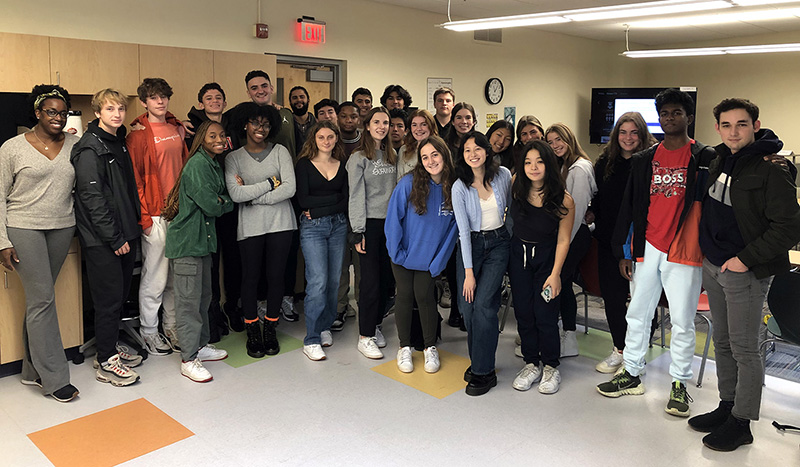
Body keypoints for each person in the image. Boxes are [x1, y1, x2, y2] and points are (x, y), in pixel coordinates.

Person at [597, 89, 716, 418]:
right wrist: (625, 251)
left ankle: (679, 384)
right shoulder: (644, 159)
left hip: (685, 250)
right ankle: (632, 373)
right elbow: (629, 208)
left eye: (676, 113)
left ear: (689, 118)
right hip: (646, 248)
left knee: (681, 321)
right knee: (637, 313)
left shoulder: (705, 157)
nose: (669, 118)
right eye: (664, 114)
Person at [691, 98, 800, 451]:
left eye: (741, 124)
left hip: (745, 271)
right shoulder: (721, 158)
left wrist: (744, 259)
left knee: (745, 348)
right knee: (722, 342)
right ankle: (727, 406)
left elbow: (789, 228)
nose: (733, 131)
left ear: (755, 125)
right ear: (719, 128)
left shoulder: (771, 167)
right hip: (714, 264)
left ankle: (742, 422)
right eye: (726, 124)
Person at [0, 84, 80, 402]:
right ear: (37, 113)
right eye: (51, 111)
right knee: (44, 298)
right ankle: (55, 378)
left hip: (62, 228)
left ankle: (31, 371)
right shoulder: (12, 148)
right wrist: (2, 240)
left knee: (38, 300)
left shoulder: (77, 144)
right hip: (24, 228)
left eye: (62, 112)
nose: (57, 117)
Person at [71, 88, 142, 387]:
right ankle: (105, 361)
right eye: (110, 109)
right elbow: (93, 200)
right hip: (104, 240)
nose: (117, 114)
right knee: (109, 300)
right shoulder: (90, 148)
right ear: (97, 113)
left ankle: (110, 346)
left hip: (125, 232)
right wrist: (114, 238)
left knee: (119, 296)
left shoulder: (117, 142)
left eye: (121, 109)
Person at [225, 102, 296, 358]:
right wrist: (270, 183)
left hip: (281, 224)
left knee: (276, 277)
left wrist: (253, 197)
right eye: (255, 123)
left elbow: (289, 188)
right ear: (245, 124)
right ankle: (252, 329)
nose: (260, 128)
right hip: (250, 227)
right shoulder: (233, 158)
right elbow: (235, 193)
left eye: (266, 124)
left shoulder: (280, 152)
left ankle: (271, 327)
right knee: (250, 278)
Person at [163, 120, 232, 382]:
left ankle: (200, 347)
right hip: (188, 244)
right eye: (212, 135)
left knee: (203, 298)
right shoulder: (199, 165)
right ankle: (188, 358)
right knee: (189, 304)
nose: (219, 139)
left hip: (203, 242)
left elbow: (218, 200)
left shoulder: (212, 163)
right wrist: (225, 201)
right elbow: (213, 206)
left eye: (222, 135)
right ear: (201, 138)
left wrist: (221, 200)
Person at [591, 112, 657, 374]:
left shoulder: (651, 162)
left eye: (634, 132)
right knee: (613, 299)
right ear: (616, 135)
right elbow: (598, 198)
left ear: (641, 135)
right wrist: (591, 212)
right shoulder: (605, 162)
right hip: (609, 242)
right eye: (623, 132)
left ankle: (636, 353)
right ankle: (620, 349)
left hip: (641, 244)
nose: (628, 138)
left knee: (642, 301)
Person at [385, 135, 458, 373]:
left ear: (444, 155)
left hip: (432, 259)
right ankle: (404, 347)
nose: (430, 161)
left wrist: (439, 261)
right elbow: (393, 220)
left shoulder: (454, 187)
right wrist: (397, 253)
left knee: (426, 297)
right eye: (424, 157)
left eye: (434, 155)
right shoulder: (408, 183)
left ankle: (429, 347)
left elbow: (454, 230)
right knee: (405, 296)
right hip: (403, 255)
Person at [127, 77, 188, 356]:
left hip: (179, 213)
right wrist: (146, 218)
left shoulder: (177, 128)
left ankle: (171, 327)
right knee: (155, 277)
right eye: (153, 97)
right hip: (155, 213)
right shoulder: (138, 135)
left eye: (164, 96)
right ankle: (149, 332)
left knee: (176, 276)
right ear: (144, 102)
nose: (160, 101)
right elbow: (135, 180)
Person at [509, 140, 575, 394]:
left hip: (547, 260)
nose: (533, 167)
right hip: (519, 257)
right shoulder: (517, 185)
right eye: (528, 162)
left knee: (545, 314)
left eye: (539, 161)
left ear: (549, 163)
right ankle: (531, 363)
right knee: (524, 312)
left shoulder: (564, 200)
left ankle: (550, 365)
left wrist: (556, 273)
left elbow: (563, 239)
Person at [452, 131, 512, 396]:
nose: (472, 154)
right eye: (467, 150)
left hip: (499, 243)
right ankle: (479, 359)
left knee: (485, 306)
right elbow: (464, 231)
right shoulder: (459, 186)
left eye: (477, 148)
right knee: (467, 308)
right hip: (471, 247)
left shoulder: (503, 176)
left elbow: (512, 211)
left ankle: (484, 371)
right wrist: (468, 273)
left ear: (487, 151)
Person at [296, 121, 349, 361]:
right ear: (313, 140)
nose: (326, 141)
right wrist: (327, 204)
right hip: (313, 228)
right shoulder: (304, 165)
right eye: (321, 137)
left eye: (330, 137)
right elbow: (303, 199)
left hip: (338, 226)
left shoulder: (343, 164)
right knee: (317, 281)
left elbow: (345, 200)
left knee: (333, 280)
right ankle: (312, 338)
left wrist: (320, 208)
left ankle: (325, 324)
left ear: (336, 139)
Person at [347, 106, 397, 359]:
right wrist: (358, 231)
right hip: (368, 225)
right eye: (376, 122)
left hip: (391, 226)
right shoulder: (358, 158)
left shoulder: (392, 155)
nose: (381, 126)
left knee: (388, 281)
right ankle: (365, 336)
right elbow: (355, 196)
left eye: (386, 122)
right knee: (369, 282)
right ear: (367, 126)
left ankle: (375, 323)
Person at [545, 123, 597, 357]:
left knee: (562, 283)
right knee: (561, 284)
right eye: (550, 141)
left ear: (569, 139)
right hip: (564, 236)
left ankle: (569, 336)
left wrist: (563, 244)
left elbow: (574, 214)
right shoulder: (564, 166)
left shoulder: (579, 169)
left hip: (574, 236)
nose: (555, 145)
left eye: (558, 139)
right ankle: (560, 333)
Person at [185, 82, 231, 343]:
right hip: (201, 220)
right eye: (209, 98)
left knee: (223, 267)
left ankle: (220, 318)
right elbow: (212, 204)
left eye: (219, 97)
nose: (214, 101)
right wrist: (227, 201)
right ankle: (208, 328)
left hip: (222, 212)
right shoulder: (198, 159)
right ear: (201, 103)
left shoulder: (230, 126)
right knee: (206, 278)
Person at [333, 101, 363, 331]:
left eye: (353, 116)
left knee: (363, 266)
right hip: (339, 212)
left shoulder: (366, 143)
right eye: (344, 116)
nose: (348, 121)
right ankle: (340, 308)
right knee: (341, 266)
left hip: (363, 212)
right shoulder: (332, 142)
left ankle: (366, 309)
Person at [397, 109, 438, 180]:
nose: (418, 129)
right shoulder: (404, 150)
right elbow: (399, 179)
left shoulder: (440, 149)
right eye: (414, 125)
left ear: (431, 126)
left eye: (424, 124)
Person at [185, 83, 228, 149]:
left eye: (218, 98)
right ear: (201, 105)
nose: (215, 101)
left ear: (224, 104)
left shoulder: (233, 125)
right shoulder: (192, 128)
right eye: (209, 98)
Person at [289, 85, 316, 156]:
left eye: (302, 97)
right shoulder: (286, 125)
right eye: (295, 98)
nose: (298, 100)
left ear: (308, 100)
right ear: (290, 102)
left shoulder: (317, 124)